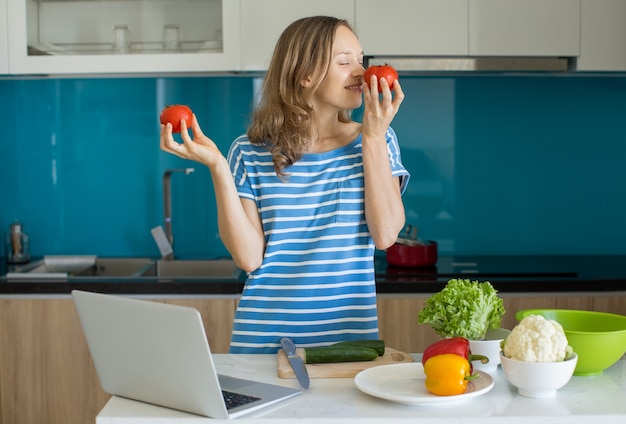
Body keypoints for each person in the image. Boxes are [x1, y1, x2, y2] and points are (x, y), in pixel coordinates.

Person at [160, 16, 410, 353]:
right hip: (263, 345)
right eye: (344, 61)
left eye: (361, 60)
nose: (361, 71)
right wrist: (218, 166)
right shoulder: (248, 151)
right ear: (305, 75)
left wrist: (373, 135)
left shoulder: (379, 140)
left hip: (347, 350)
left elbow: (386, 235)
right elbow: (249, 259)